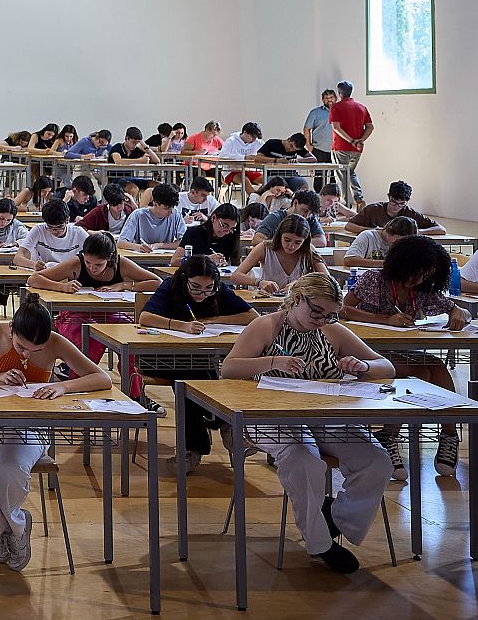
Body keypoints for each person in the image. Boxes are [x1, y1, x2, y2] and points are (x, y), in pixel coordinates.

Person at [220, 272, 394, 574]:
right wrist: (272, 362)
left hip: (325, 416)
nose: (322, 319)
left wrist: (363, 366)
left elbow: (386, 365)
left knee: (377, 461)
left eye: (329, 315)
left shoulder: (332, 330)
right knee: (305, 460)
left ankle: (336, 518)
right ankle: (320, 542)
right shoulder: (267, 326)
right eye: (317, 311)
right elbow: (229, 368)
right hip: (271, 416)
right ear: (298, 299)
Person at [0, 293, 109, 571]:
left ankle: (5, 528)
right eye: (21, 347)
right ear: (12, 329)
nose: (26, 355)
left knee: (9, 467)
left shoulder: (56, 342)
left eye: (35, 351)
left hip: (27, 420)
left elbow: (102, 378)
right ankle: (11, 528)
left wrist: (63, 386)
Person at [343, 235, 470, 478]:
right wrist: (385, 319)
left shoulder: (421, 288)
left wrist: (458, 311)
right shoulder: (375, 279)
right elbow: (343, 309)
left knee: (436, 366)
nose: (420, 279)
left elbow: (451, 306)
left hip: (399, 349)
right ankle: (388, 436)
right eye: (418, 273)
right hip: (368, 351)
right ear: (404, 264)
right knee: (420, 371)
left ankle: (449, 434)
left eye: (427, 275)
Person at [138, 255, 261, 467]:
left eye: (208, 288)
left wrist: (216, 319)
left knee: (187, 381)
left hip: (197, 360)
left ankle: (192, 450)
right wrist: (182, 326)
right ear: (185, 278)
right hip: (157, 356)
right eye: (195, 287)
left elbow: (253, 317)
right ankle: (226, 425)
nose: (202, 294)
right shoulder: (170, 286)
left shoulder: (218, 290)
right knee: (194, 373)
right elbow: (145, 318)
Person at [30, 232, 157, 361]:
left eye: (98, 265)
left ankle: (130, 380)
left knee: (131, 342)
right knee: (89, 342)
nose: (92, 268)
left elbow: (157, 283)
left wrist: (124, 285)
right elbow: (34, 279)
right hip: (75, 315)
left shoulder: (120, 264)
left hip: (110, 314)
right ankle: (85, 378)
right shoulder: (76, 264)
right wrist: (62, 286)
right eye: (88, 262)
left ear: (110, 257)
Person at [232, 215, 325, 295]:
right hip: (269, 306)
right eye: (287, 240)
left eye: (298, 242)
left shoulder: (309, 251)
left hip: (299, 308)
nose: (291, 246)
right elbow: (236, 276)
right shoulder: (264, 248)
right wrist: (259, 282)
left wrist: (299, 284)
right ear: (280, 235)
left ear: (304, 241)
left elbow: (327, 279)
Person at [329, 79, 373, 207]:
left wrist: (351, 141)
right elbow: (370, 127)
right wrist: (360, 140)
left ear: (339, 93)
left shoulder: (336, 107)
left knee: (341, 176)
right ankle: (359, 199)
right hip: (357, 149)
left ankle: (345, 205)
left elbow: (336, 127)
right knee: (351, 173)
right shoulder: (361, 107)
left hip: (341, 147)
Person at [345, 181, 446, 235]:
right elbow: (349, 226)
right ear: (389, 197)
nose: (397, 207)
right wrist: (371, 230)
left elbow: (441, 229)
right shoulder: (373, 210)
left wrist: (417, 231)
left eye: (401, 204)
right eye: (393, 202)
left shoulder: (410, 213)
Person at [16, 200, 89, 271]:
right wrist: (33, 264)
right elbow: (17, 258)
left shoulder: (78, 232)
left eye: (59, 227)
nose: (55, 232)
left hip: (70, 274)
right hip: (46, 274)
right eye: (50, 227)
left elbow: (97, 254)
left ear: (67, 220)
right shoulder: (39, 229)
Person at [118, 184, 186, 253]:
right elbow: (121, 243)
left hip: (166, 259)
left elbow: (184, 242)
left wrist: (159, 245)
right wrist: (139, 247)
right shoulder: (138, 215)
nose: (171, 212)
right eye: (166, 208)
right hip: (141, 259)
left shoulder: (176, 214)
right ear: (155, 203)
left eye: (173, 207)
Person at [251, 190, 328, 248]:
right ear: (295, 203)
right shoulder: (275, 218)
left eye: (310, 213)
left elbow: (322, 241)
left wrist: (297, 244)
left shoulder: (311, 219)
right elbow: (257, 240)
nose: (307, 216)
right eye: (305, 210)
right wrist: (283, 245)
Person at [172, 202, 242, 267]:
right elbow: (174, 261)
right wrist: (206, 259)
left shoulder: (231, 236)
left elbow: (237, 264)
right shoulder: (194, 233)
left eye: (231, 228)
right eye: (224, 225)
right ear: (213, 218)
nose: (226, 231)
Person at [342, 215, 417, 268]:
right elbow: (349, 260)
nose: (400, 245)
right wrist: (385, 263)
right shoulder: (368, 236)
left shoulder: (406, 243)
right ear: (389, 231)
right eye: (397, 241)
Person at [303, 88, 337, 172]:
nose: (329, 100)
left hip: (337, 150)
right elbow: (306, 129)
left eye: (331, 97)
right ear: (323, 100)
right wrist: (308, 145)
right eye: (326, 98)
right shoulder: (315, 112)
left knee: (336, 177)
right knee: (319, 177)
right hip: (319, 150)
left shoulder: (342, 112)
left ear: (336, 98)